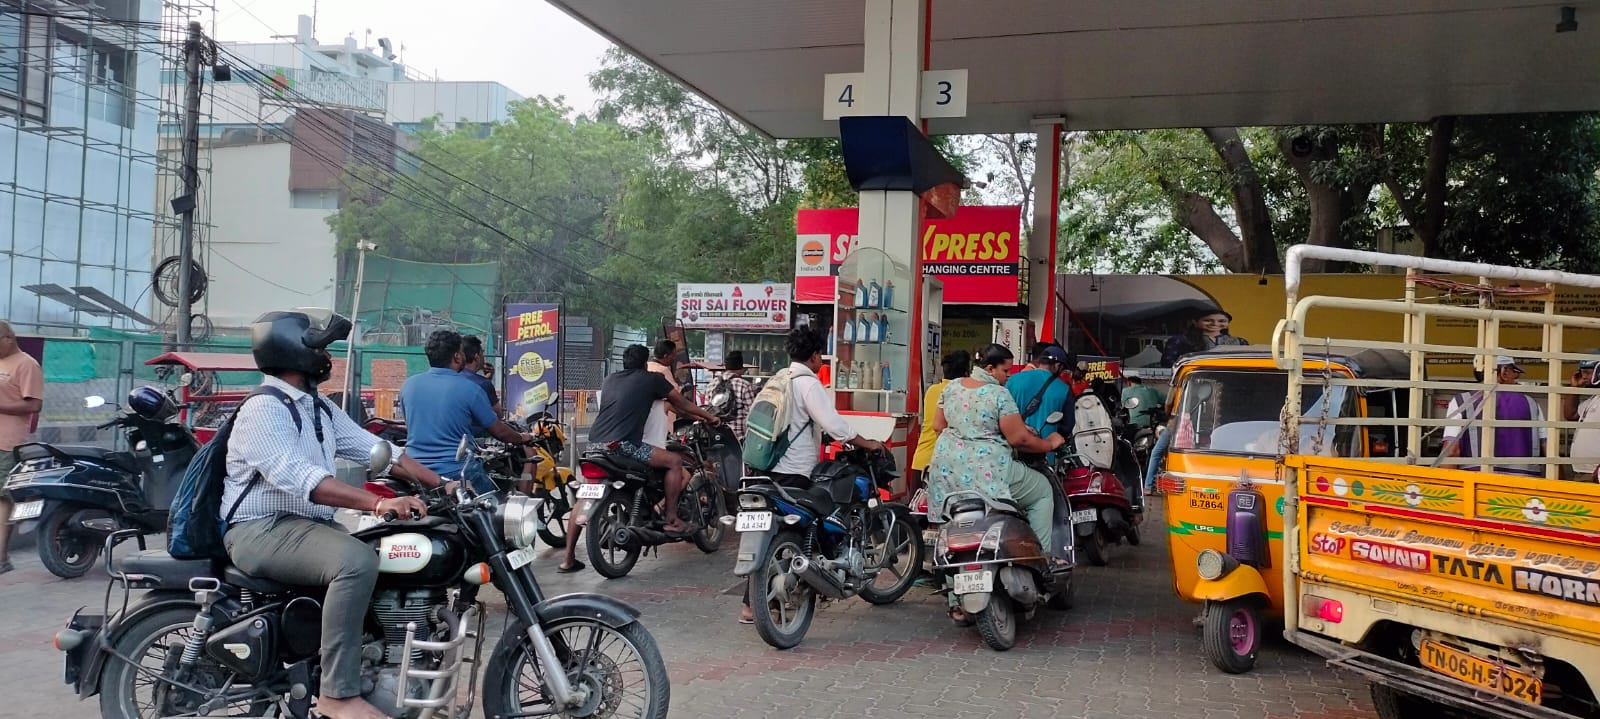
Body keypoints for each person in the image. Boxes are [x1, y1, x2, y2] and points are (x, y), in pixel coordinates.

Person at [224, 310, 450, 719]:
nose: (327, 357)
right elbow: (301, 478)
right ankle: (337, 694)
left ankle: (373, 662)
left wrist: (445, 485)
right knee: (355, 561)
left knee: (388, 553)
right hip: (260, 529)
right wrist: (378, 503)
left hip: (304, 526)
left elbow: (378, 451)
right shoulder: (264, 409)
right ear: (292, 351)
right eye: (321, 348)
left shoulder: (318, 408)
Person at [739, 327, 885, 623]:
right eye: (821, 355)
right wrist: (867, 443)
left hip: (763, 468)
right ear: (816, 355)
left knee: (775, 535)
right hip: (794, 470)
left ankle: (750, 605)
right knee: (806, 529)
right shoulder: (808, 383)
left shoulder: (779, 378)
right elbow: (835, 425)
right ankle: (802, 588)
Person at [562, 344, 720, 573]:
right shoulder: (653, 380)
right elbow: (682, 404)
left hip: (595, 447)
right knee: (674, 462)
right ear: (646, 363)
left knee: (583, 499)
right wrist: (710, 417)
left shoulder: (610, 380)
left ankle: (567, 559)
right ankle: (671, 518)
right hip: (624, 446)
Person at [926, 344, 1065, 553]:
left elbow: (938, 426)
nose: (1009, 375)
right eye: (1006, 370)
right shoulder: (999, 394)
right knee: (1043, 490)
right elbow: (1019, 439)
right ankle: (1039, 556)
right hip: (989, 471)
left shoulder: (952, 387)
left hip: (947, 472)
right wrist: (1050, 443)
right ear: (990, 369)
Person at [400, 330, 536, 494]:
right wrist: (522, 437)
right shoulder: (471, 389)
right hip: (457, 471)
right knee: (500, 499)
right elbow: (499, 431)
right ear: (457, 356)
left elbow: (411, 425)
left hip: (414, 471)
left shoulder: (408, 385)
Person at [1443, 356, 1548, 477]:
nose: (1516, 378)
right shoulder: (1531, 404)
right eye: (1515, 372)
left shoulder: (1461, 401)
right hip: (1525, 484)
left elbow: (1451, 452)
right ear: (1504, 372)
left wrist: (1445, 485)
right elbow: (1549, 449)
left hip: (1477, 482)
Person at [0, 321, 42, 575]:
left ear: (8, 338)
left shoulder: (27, 364)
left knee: (3, 498)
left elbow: (34, 405)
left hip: (7, 442)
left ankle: (2, 557)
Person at [912, 351, 971, 486]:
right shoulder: (963, 393)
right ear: (966, 373)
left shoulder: (932, 390)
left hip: (922, 458)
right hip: (945, 463)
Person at [1007, 344, 1075, 445]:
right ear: (1057, 366)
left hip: (1013, 445)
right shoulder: (1064, 389)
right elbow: (1067, 426)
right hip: (1046, 448)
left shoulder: (1013, 380)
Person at [1161, 308, 1249, 367]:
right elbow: (1167, 362)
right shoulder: (1180, 340)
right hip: (1196, 379)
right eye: (1208, 320)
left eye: (1221, 321)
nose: (1215, 324)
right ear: (1195, 322)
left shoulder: (1240, 342)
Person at [1565, 358, 1600, 481]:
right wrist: (1574, 388)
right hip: (1582, 471)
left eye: (1588, 373)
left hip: (1594, 473)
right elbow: (1571, 414)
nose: (1584, 377)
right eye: (1582, 372)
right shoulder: (1594, 399)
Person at [642, 340, 678, 449]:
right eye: (673, 355)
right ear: (666, 356)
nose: (674, 358)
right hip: (661, 422)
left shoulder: (646, 366)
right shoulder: (663, 370)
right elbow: (676, 396)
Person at [459, 335, 500, 414]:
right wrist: (486, 382)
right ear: (477, 357)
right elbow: (498, 414)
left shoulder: (453, 377)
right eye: (482, 353)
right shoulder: (483, 384)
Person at [722, 351, 757, 441]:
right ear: (741, 368)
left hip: (716, 437)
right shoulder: (744, 385)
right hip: (738, 438)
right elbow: (752, 414)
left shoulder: (712, 384)